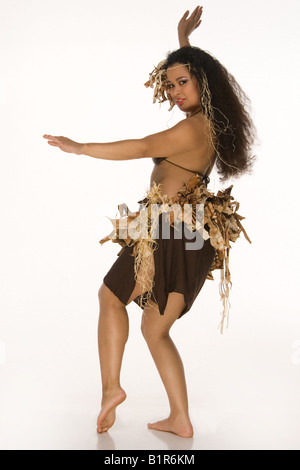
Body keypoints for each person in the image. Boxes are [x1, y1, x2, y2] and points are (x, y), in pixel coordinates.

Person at [43, 6, 256, 438]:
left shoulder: (194, 130)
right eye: (171, 84)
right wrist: (182, 38)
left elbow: (143, 146)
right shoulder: (210, 120)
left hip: (171, 232)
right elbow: (197, 73)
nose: (175, 91)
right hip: (191, 235)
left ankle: (110, 388)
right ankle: (180, 417)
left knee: (109, 297)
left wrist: (81, 147)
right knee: (155, 329)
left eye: (183, 82)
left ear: (203, 84)